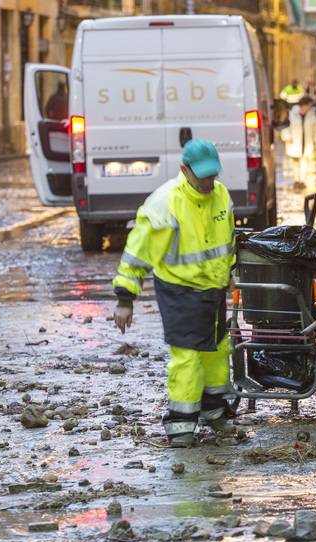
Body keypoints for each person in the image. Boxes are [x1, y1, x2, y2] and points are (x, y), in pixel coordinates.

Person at [112, 139, 236, 448]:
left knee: (217, 353)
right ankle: (180, 425)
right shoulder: (165, 203)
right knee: (188, 359)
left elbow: (228, 241)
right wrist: (125, 299)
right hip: (179, 292)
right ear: (185, 170)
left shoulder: (221, 196)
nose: (209, 182)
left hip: (214, 291)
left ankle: (214, 412)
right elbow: (137, 252)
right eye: (203, 176)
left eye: (213, 174)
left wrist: (229, 274)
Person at [281, 96, 316, 191]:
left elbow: (315, 129)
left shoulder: (311, 115)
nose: (310, 107)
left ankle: (302, 180)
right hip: (295, 141)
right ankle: (296, 179)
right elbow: (286, 127)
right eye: (309, 105)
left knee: (304, 161)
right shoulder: (292, 114)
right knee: (295, 162)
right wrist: (288, 137)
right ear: (304, 105)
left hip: (306, 141)